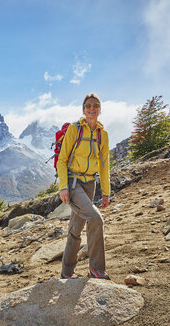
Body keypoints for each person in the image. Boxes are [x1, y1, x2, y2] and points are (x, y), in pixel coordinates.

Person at [57, 93, 110, 279]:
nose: (92, 108)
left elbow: (104, 166)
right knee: (96, 219)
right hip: (73, 182)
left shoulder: (102, 134)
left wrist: (106, 192)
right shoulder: (74, 129)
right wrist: (63, 186)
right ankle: (96, 269)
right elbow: (62, 160)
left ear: (100, 109)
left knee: (75, 229)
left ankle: (66, 273)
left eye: (95, 105)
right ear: (83, 109)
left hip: (90, 184)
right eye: (88, 106)